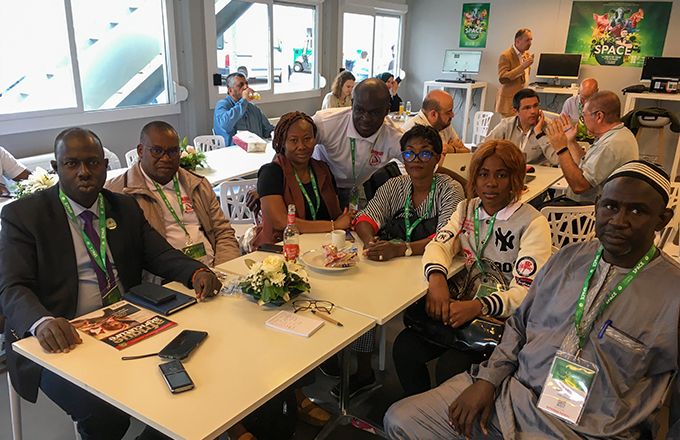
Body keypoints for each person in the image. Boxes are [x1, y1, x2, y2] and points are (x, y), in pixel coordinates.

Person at [384, 160, 680, 440]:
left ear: (662, 219)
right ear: (598, 206)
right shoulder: (567, 259)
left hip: (587, 429)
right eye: (610, 206)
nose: (618, 221)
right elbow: (519, 325)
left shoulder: (672, 294)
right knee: (402, 419)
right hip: (514, 393)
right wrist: (489, 379)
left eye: (637, 211)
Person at [0, 127, 221, 440]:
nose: (84, 173)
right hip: (60, 336)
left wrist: (195, 272)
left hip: (126, 322)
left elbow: (159, 254)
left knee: (196, 377)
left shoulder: (123, 207)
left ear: (105, 165)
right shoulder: (24, 216)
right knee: (105, 414)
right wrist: (41, 321)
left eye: (92, 163)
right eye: (71, 164)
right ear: (56, 167)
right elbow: (12, 287)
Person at [391, 139, 552, 397]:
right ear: (474, 178)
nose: (491, 183)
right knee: (404, 348)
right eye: (483, 174)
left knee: (451, 368)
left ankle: (452, 424)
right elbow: (439, 245)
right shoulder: (466, 209)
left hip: (502, 319)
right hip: (462, 309)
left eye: (502, 175)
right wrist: (436, 278)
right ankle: (419, 415)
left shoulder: (532, 223)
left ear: (516, 179)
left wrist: (479, 306)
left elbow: (526, 292)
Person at [334, 125, 465, 400]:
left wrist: (401, 250)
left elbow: (446, 236)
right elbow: (365, 219)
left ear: (438, 158)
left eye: (425, 154)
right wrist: (371, 242)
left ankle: (427, 404)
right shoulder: (395, 186)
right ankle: (363, 370)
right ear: (403, 158)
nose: (416, 160)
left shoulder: (450, 189)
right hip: (393, 271)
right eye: (410, 153)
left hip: (434, 272)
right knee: (363, 301)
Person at [106, 121, 240, 267]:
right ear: (140, 151)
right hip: (164, 279)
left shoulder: (197, 184)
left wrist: (224, 271)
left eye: (173, 151)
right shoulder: (118, 192)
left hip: (213, 268)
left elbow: (223, 232)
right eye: (157, 151)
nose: (166, 158)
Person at [252, 111, 353, 247]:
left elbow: (337, 214)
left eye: (307, 139)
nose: (301, 146)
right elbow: (281, 222)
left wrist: (344, 219)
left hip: (323, 248)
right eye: (293, 140)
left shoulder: (323, 169)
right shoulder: (270, 173)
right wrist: (334, 226)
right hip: (283, 249)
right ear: (282, 142)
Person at [312, 77, 403, 208]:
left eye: (374, 112)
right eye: (360, 110)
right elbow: (288, 150)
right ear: (352, 103)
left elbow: (419, 167)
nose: (366, 118)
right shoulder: (325, 123)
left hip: (356, 187)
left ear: (387, 110)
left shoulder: (394, 136)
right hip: (321, 184)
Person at [545, 90, 638, 204]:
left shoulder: (610, 145)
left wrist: (561, 149)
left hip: (585, 213)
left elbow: (579, 186)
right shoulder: (620, 134)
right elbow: (586, 167)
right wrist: (571, 142)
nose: (582, 122)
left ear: (599, 116)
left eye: (583, 116)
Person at [485, 88, 558, 166]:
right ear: (516, 111)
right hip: (511, 171)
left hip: (538, 173)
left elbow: (556, 160)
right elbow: (485, 147)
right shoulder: (506, 125)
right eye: (527, 108)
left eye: (535, 106)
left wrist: (539, 133)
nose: (533, 111)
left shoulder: (549, 126)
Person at [401, 90, 469, 164]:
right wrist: (452, 150)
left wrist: (451, 149)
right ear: (433, 114)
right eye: (448, 112)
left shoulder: (444, 125)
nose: (452, 115)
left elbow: (466, 152)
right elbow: (436, 165)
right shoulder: (414, 129)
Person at [213, 72, 274, 146]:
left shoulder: (253, 108)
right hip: (232, 153)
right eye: (240, 85)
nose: (246, 87)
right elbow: (225, 125)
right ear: (230, 90)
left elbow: (268, 130)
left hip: (256, 151)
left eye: (246, 84)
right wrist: (244, 101)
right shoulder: (222, 105)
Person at [496, 28, 533, 117]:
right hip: (509, 103)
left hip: (521, 101)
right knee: (508, 129)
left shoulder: (526, 55)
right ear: (518, 41)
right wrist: (522, 67)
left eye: (531, 40)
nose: (530, 43)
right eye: (527, 40)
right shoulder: (506, 56)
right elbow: (503, 78)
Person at [561, 78, 599, 142]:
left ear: (597, 92)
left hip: (594, 140)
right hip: (573, 139)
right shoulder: (570, 102)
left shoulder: (602, 105)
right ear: (579, 91)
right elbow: (561, 122)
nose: (585, 102)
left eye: (589, 98)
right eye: (582, 98)